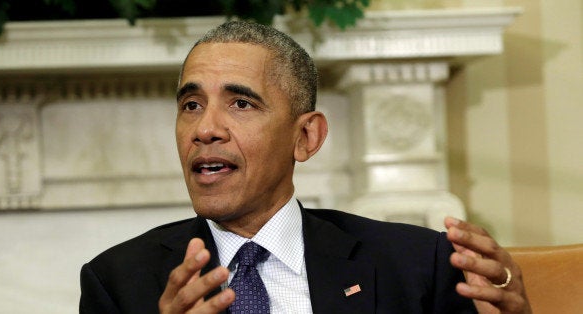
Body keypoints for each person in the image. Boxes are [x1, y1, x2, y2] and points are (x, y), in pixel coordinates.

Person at [79, 20, 531, 314]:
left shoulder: (415, 265)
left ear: (306, 137)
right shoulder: (119, 283)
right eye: (192, 104)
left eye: (240, 103)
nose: (205, 128)